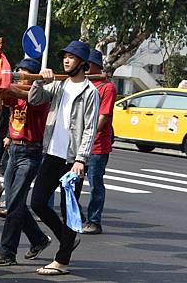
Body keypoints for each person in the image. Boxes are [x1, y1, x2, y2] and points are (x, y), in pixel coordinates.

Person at [29, 41, 100, 276]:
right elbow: (35, 99)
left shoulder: (90, 92)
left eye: (71, 57)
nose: (66, 60)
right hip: (52, 153)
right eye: (65, 57)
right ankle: (66, 238)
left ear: (83, 63)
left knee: (68, 207)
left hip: (73, 160)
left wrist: (81, 159)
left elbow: (90, 128)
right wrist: (39, 79)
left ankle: (62, 260)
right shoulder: (60, 86)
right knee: (38, 201)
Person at [0, 58, 51, 267]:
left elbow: (25, 95)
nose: (19, 78)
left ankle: (7, 252)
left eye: (24, 75)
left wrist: (9, 84)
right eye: (17, 74)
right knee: (16, 202)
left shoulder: (40, 96)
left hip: (30, 152)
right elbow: (3, 95)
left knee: (14, 204)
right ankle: (38, 239)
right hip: (14, 149)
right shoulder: (13, 93)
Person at [83, 49, 117, 235]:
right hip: (78, 144)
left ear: (96, 65)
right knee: (70, 183)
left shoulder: (107, 88)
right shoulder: (82, 84)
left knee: (95, 184)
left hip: (96, 146)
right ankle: (75, 217)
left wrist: (86, 135)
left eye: (87, 63)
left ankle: (94, 220)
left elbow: (103, 118)